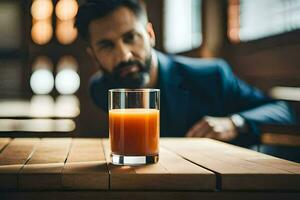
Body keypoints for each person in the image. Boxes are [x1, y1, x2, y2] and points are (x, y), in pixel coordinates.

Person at [75, 0, 296, 144]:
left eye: (130, 37)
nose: (124, 56)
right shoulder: (100, 89)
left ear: (150, 34)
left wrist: (234, 123)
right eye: (106, 45)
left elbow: (282, 111)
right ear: (93, 55)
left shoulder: (211, 75)